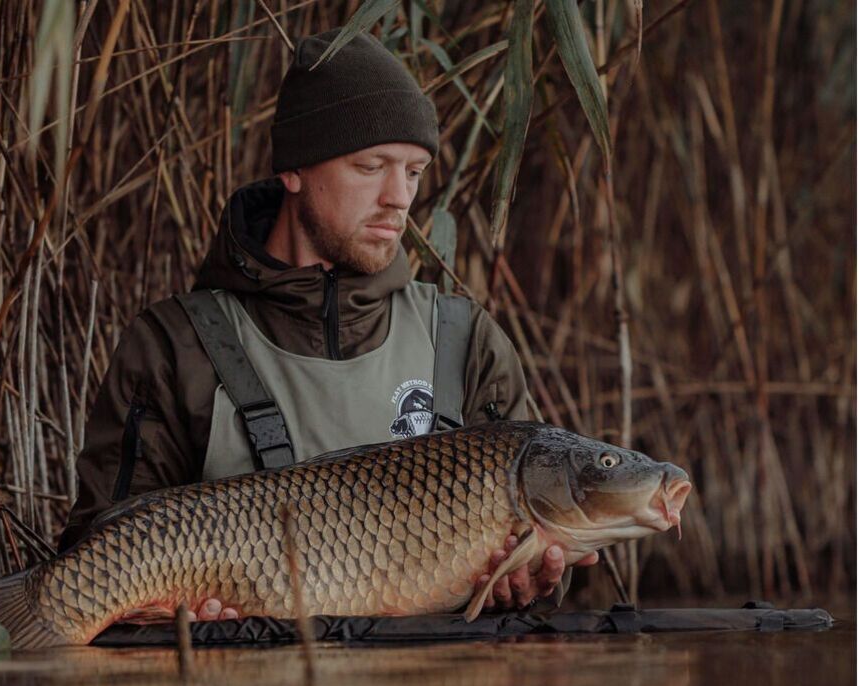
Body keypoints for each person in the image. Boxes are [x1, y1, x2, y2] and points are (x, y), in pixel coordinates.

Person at [59, 28, 594, 619]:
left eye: (414, 172)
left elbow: (541, 575)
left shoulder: (463, 341)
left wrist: (532, 587)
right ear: (294, 170)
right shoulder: (174, 345)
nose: (400, 198)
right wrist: (157, 619)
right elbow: (100, 552)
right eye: (371, 166)